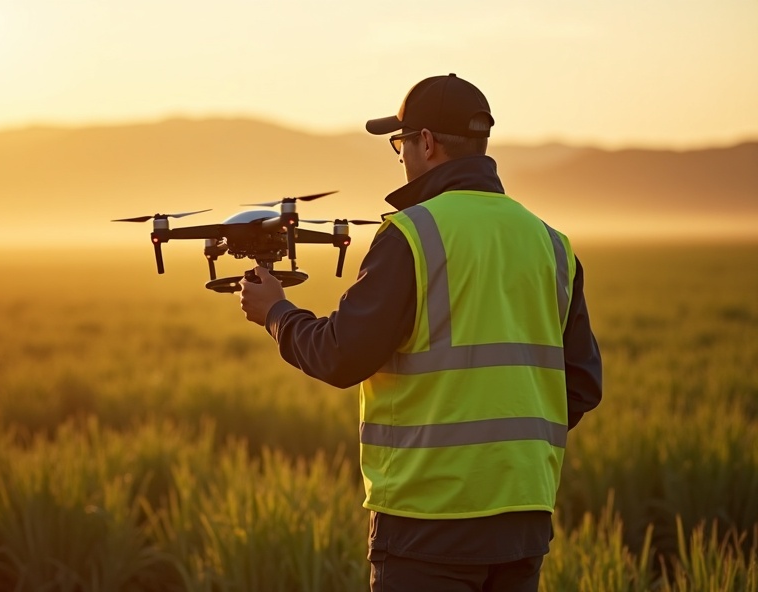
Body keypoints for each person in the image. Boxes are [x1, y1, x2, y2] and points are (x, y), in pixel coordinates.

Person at [239, 73, 602, 592]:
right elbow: (583, 385)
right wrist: (503, 455)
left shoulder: (413, 233)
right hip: (523, 522)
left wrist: (276, 313)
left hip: (427, 526)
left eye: (400, 143)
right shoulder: (551, 243)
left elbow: (341, 355)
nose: (402, 154)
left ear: (426, 143)